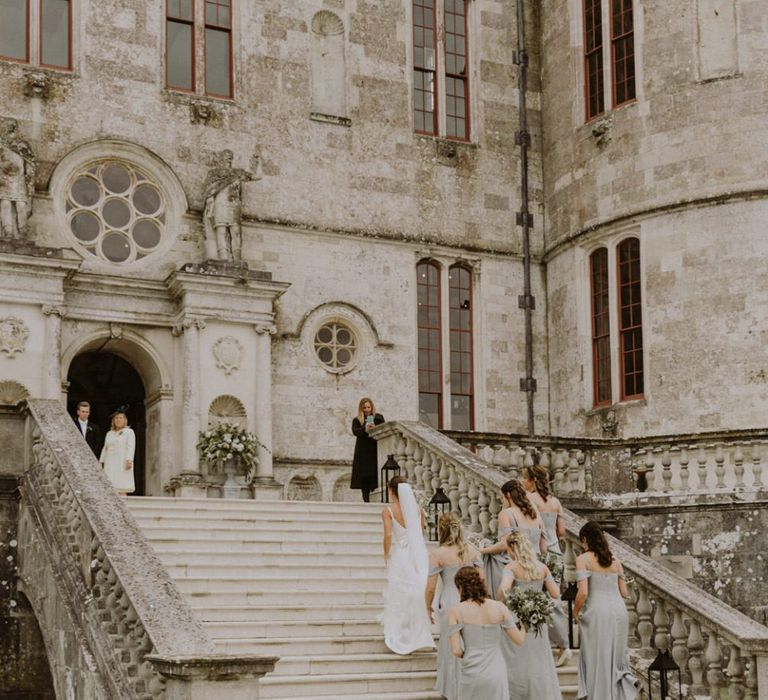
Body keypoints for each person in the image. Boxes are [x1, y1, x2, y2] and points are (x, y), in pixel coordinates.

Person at [574, 521, 639, 700]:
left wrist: (575, 612)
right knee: (617, 659)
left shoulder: (583, 559)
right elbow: (624, 593)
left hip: (598, 612)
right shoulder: (616, 561)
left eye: (582, 541)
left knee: (598, 658)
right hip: (619, 612)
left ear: (585, 539)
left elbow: (583, 592)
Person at [498, 531, 563, 700]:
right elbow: (555, 593)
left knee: (518, 659)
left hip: (518, 620)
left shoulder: (511, 568)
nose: (508, 553)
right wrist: (539, 602)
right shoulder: (542, 568)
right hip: (538, 620)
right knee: (539, 660)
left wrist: (506, 600)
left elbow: (503, 590)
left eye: (508, 549)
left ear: (513, 548)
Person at [425, 512, 483, 700]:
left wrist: (427, 607)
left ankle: (452, 691)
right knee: (472, 643)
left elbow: (430, 588)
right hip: (472, 600)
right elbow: (482, 581)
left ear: (441, 530)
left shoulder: (437, 553)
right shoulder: (472, 551)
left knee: (451, 646)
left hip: (450, 600)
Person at [447, 566, 526, 700]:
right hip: (495, 669)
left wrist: (468, 653)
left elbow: (456, 650)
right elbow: (519, 640)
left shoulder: (455, 611)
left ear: (460, 587)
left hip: (471, 669)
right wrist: (525, 626)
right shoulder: (499, 607)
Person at [522, 464, 571, 665]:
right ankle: (560, 644)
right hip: (556, 555)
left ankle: (559, 644)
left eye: (525, 478)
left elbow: (530, 527)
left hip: (538, 554)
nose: (523, 482)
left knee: (534, 598)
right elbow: (561, 532)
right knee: (553, 599)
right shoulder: (556, 502)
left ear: (532, 480)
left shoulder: (530, 500)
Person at [380, 475, 435, 654]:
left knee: (400, 592)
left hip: (402, 555)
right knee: (417, 589)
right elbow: (422, 530)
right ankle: (418, 631)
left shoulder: (388, 511)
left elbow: (388, 535)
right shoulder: (417, 509)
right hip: (417, 553)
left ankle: (402, 632)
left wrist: (386, 553)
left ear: (391, 491)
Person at [480, 479, 546, 596]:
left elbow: (504, 544)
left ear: (508, 495)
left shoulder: (506, 514)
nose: (501, 500)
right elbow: (543, 546)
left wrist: (483, 550)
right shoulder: (535, 514)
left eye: (502, 497)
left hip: (516, 566)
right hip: (536, 566)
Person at [350, 397, 384, 502]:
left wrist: (375, 427)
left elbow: (384, 429)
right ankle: (366, 499)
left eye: (368, 407)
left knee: (374, 474)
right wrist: (364, 428)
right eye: (364, 407)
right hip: (363, 450)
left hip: (374, 448)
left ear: (372, 407)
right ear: (361, 408)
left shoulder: (378, 417)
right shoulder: (357, 420)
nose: (367, 409)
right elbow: (355, 432)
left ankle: (374, 497)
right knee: (364, 476)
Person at [99, 408, 135, 495]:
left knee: (122, 485)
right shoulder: (109, 433)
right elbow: (105, 448)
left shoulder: (129, 432)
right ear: (113, 420)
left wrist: (129, 460)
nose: (118, 420)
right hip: (110, 461)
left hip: (122, 461)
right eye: (116, 418)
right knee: (110, 485)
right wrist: (101, 461)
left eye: (120, 418)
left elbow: (131, 446)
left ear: (124, 420)